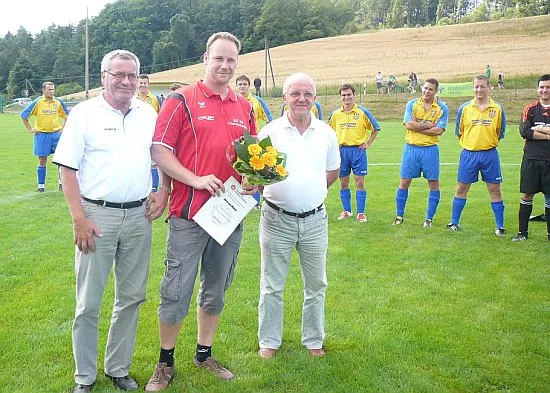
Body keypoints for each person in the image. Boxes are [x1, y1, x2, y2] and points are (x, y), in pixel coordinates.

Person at [144, 32, 257, 392]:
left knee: (217, 289)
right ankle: (165, 363)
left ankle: (204, 354)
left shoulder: (244, 106)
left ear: (237, 63)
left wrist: (254, 179)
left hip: (229, 215)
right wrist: (195, 179)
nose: (225, 66)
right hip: (189, 214)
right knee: (175, 289)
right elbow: (160, 150)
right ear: (205, 59)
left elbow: (252, 157)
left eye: (231, 60)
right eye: (218, 58)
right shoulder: (181, 100)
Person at [52, 49, 169, 393]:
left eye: (132, 75)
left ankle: (119, 368)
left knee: (131, 297)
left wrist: (163, 189)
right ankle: (84, 377)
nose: (126, 81)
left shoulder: (147, 113)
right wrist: (79, 218)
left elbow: (161, 154)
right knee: (89, 301)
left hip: (138, 215)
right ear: (103, 76)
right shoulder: (84, 114)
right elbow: (67, 169)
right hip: (96, 216)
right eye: (118, 74)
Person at [257, 72, 340, 359]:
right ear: (285, 98)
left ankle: (314, 339)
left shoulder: (327, 134)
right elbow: (258, 172)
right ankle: (269, 341)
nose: (302, 99)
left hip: (315, 221)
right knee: (272, 285)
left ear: (314, 98)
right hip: (276, 219)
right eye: (295, 94)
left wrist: (310, 193)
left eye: (307, 94)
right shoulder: (270, 132)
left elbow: (332, 172)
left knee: (317, 284)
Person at [447, 75, 507, 236]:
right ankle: (454, 222)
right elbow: (459, 132)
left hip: (490, 155)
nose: (479, 89)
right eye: (476, 86)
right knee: (461, 188)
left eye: (482, 86)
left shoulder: (498, 109)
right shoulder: (464, 108)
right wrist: (472, 144)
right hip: (469, 155)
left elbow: (500, 133)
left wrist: (485, 143)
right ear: (473, 88)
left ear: (489, 88)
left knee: (494, 189)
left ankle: (500, 227)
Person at [392, 78, 449, 228]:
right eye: (425, 88)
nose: (426, 91)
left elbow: (439, 131)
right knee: (404, 182)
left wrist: (417, 126)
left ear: (436, 91)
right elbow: (408, 125)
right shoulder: (412, 104)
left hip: (430, 150)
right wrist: (427, 125)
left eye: (430, 89)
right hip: (411, 149)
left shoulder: (442, 108)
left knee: (433, 183)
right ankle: (399, 216)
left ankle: (429, 219)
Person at [328, 83, 380, 223]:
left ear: (354, 95)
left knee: (359, 182)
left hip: (358, 151)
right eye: (343, 95)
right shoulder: (335, 114)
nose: (346, 97)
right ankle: (347, 211)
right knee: (343, 182)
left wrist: (368, 143)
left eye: (349, 94)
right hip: (342, 151)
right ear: (340, 97)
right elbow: (329, 132)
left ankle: (361, 213)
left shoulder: (362, 112)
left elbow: (376, 128)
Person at [512, 74, 550, 242]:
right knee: (526, 195)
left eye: (548, 87)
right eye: (542, 87)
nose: (544, 90)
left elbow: (532, 131)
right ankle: (522, 233)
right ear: (537, 89)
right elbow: (525, 132)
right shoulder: (530, 109)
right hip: (531, 159)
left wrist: (539, 128)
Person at [21, 81, 69, 192]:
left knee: (61, 160)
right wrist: (30, 129)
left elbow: (68, 116)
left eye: (53, 89)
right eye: (49, 90)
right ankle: (41, 186)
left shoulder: (58, 102)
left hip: (56, 135)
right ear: (43, 90)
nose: (52, 92)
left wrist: (64, 128)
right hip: (41, 135)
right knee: (42, 160)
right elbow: (24, 115)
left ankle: (61, 183)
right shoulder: (37, 102)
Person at [236, 74, 273, 207]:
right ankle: (238, 199)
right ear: (237, 86)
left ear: (249, 86)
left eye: (244, 84)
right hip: (239, 140)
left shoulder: (256, 101)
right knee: (239, 170)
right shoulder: (233, 100)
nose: (242, 86)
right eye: (240, 84)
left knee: (254, 169)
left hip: (253, 139)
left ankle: (255, 202)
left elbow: (268, 116)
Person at [136, 74, 163, 192]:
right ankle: (139, 186)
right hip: (136, 135)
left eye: (144, 83)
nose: (142, 85)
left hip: (152, 134)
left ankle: (154, 188)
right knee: (138, 160)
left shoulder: (155, 99)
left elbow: (162, 116)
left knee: (153, 162)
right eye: (140, 83)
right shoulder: (133, 99)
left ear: (148, 84)